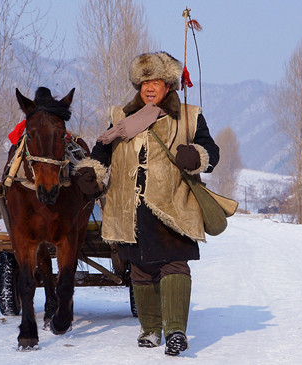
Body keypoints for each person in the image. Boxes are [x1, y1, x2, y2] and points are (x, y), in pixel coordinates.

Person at [75, 51, 219, 356]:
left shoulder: (189, 115)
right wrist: (91, 173)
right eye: (144, 83)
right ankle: (151, 330)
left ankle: (176, 330)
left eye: (155, 81)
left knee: (174, 264)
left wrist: (196, 155)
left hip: (173, 203)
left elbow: (211, 151)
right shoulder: (120, 119)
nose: (149, 88)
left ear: (168, 84)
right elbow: (101, 155)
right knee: (141, 269)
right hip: (130, 207)